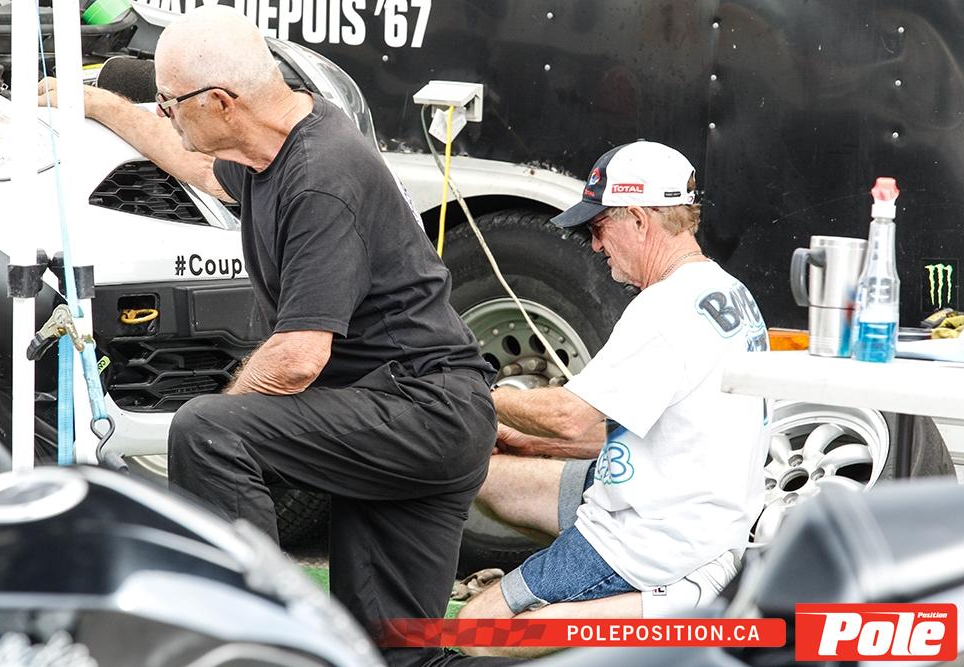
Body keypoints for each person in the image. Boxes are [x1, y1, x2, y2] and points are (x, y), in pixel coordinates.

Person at [40, 8, 510, 667]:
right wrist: (95, 102)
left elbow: (297, 358)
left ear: (221, 102)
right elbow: (193, 162)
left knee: (209, 430)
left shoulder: (321, 176)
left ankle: (254, 641)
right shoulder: (275, 143)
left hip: (421, 412)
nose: (165, 113)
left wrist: (231, 414)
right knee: (395, 654)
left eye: (171, 102)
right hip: (418, 409)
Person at [457, 140, 770, 658]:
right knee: (491, 478)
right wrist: (535, 445)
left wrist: (473, 395)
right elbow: (673, 431)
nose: (596, 246)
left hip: (653, 543)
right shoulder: (728, 291)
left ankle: (665, 610)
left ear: (640, 220)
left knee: (474, 630)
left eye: (599, 228)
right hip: (705, 518)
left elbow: (570, 416)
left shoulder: (664, 308)